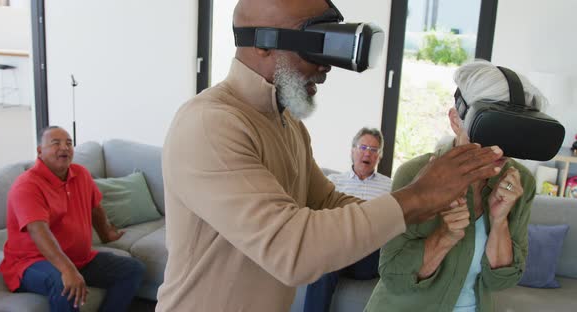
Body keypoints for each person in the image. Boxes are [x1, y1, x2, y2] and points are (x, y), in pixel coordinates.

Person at [156, 1, 503, 311]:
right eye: (314, 50)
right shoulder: (210, 124)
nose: (325, 69)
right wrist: (418, 197)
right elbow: (293, 249)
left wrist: (427, 208)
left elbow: (327, 202)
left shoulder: (286, 123)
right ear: (263, 44)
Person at [365, 60, 539, 312]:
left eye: (512, 130)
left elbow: (502, 280)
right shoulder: (414, 174)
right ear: (456, 120)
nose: (500, 147)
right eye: (491, 127)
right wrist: (444, 237)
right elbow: (394, 276)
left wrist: (500, 221)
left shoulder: (521, 183)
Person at [0, 126, 146, 312]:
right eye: (56, 143)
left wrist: (107, 234)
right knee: (64, 284)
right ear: (39, 151)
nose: (65, 148)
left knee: (133, 269)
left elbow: (95, 208)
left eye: (69, 143)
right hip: (31, 263)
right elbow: (39, 232)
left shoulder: (81, 174)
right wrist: (68, 270)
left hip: (78, 259)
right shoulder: (27, 186)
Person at [303, 127, 392, 312]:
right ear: (353, 150)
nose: (367, 153)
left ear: (379, 156)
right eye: (363, 147)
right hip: (339, 248)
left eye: (374, 150)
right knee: (326, 265)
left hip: (370, 256)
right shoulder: (333, 182)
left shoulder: (389, 186)